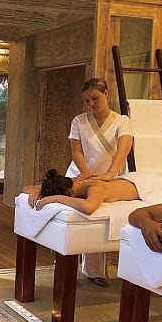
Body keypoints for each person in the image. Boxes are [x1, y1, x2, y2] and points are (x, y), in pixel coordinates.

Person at [61, 77, 134, 284]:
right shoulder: (79, 121)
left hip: (107, 177)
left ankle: (94, 271)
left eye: (95, 98)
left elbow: (124, 148)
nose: (91, 104)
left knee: (96, 218)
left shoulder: (122, 121)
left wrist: (110, 173)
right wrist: (85, 173)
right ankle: (65, 259)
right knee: (72, 218)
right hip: (79, 175)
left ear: (106, 94)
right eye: (87, 101)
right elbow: (77, 151)